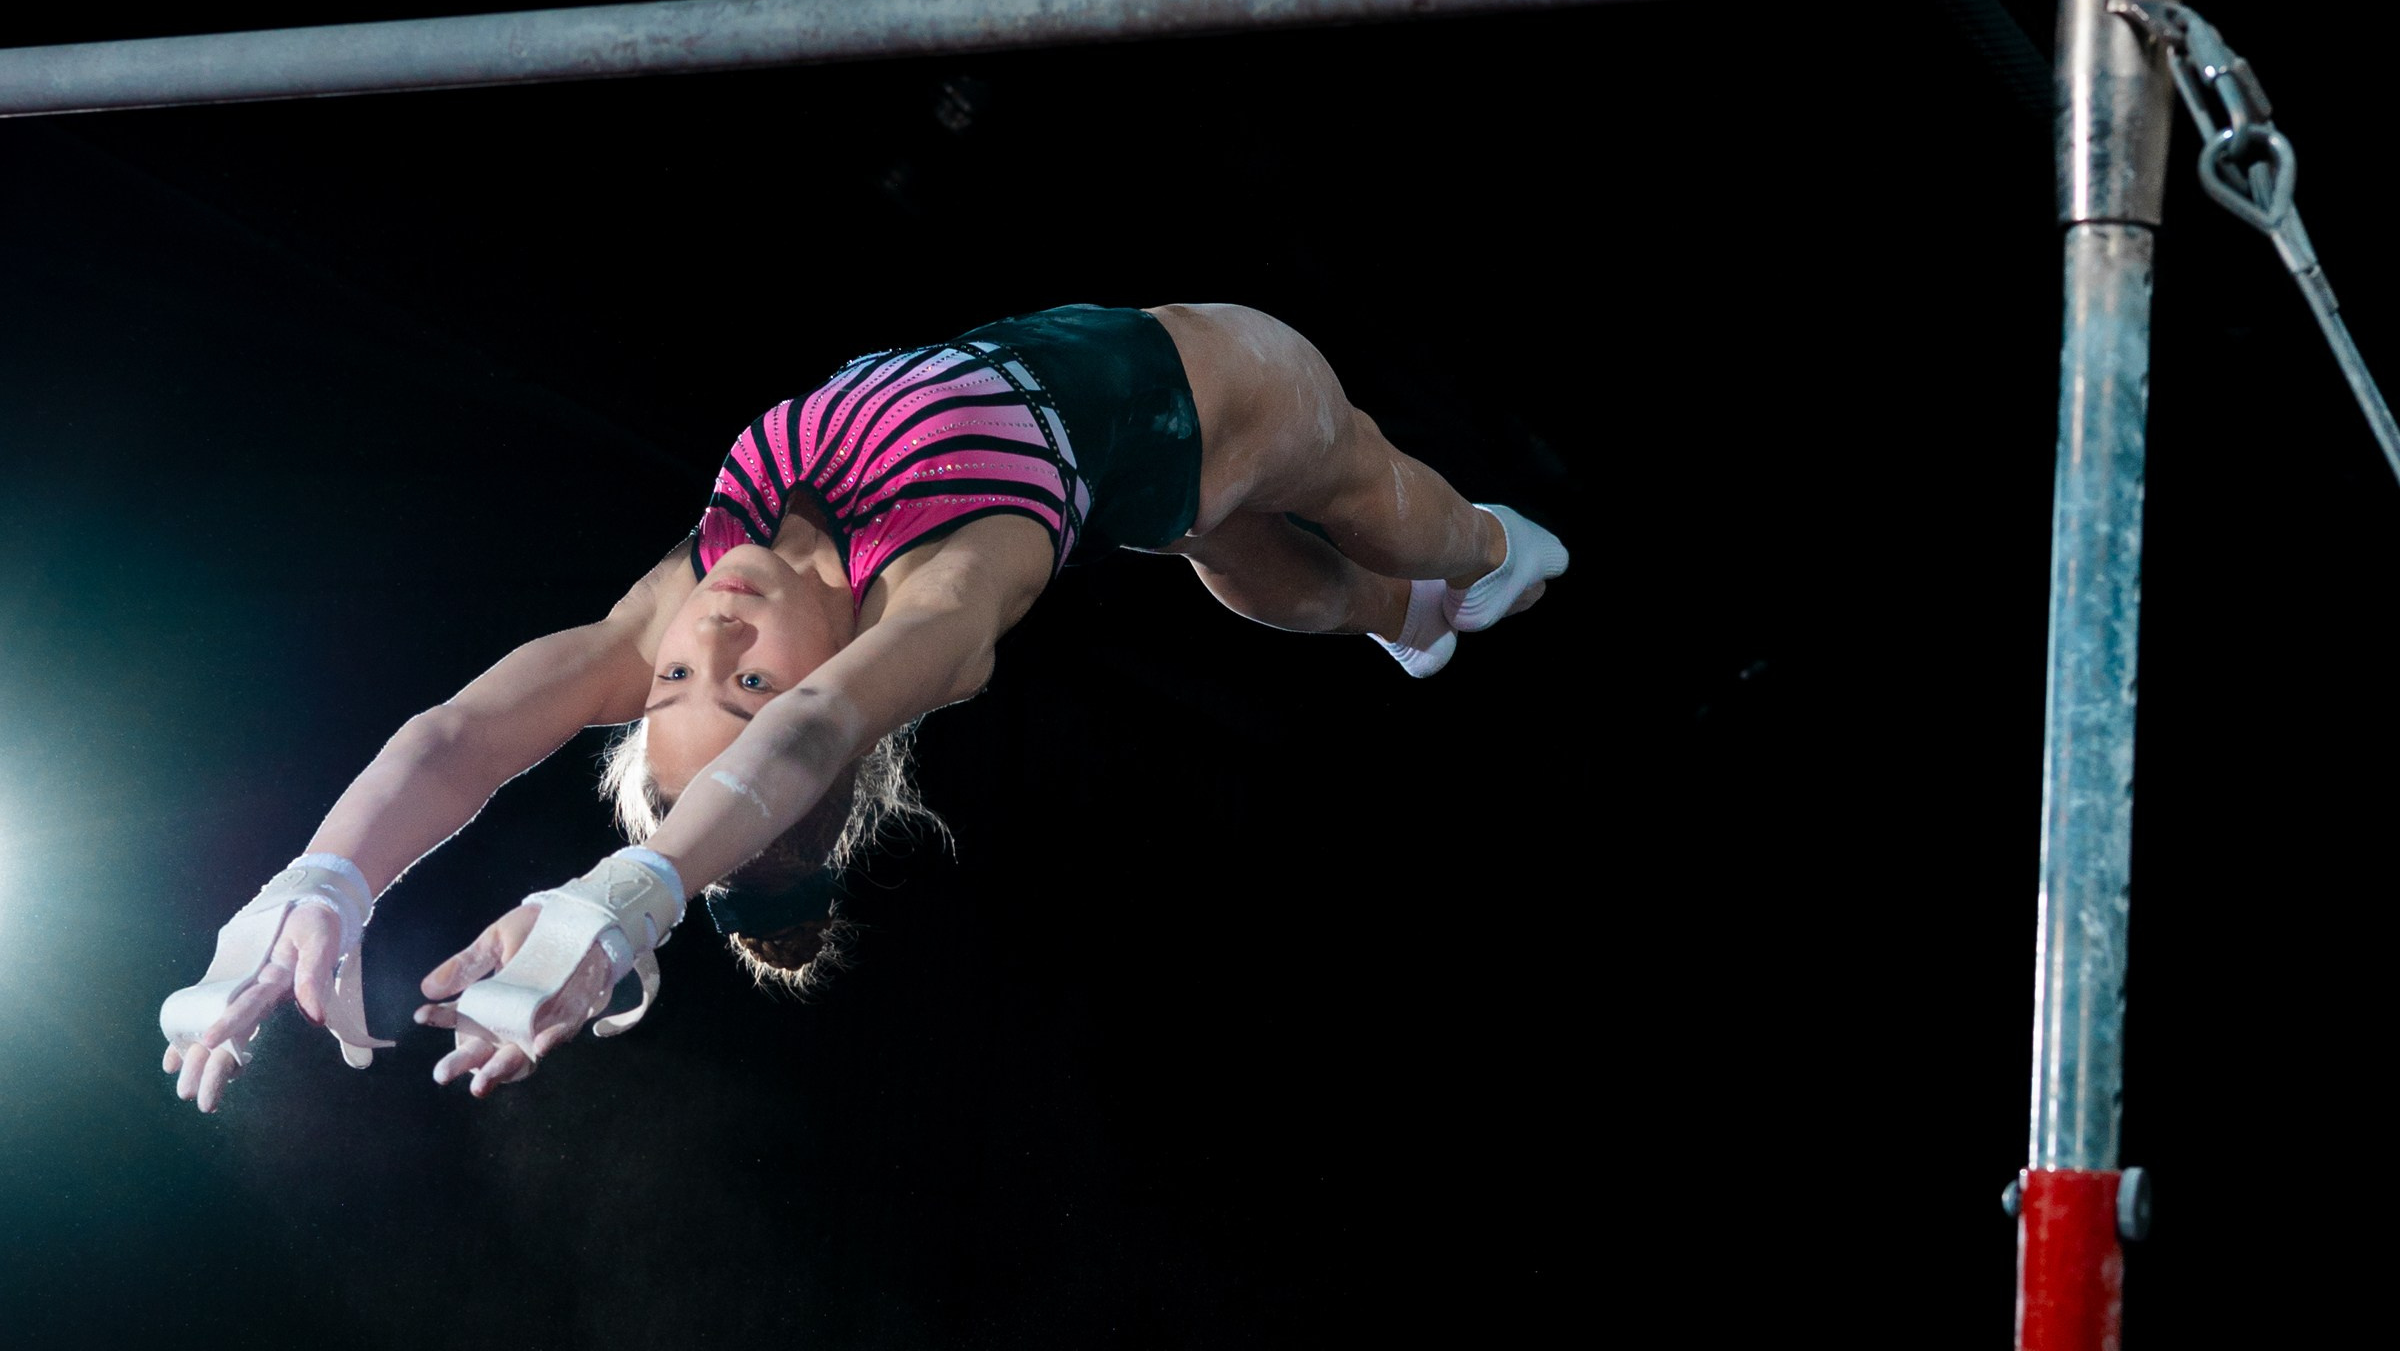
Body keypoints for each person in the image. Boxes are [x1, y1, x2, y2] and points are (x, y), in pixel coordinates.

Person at [160, 301, 1567, 1111]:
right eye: (751, 684)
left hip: (1130, 457)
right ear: (826, 684)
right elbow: (814, 741)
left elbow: (460, 738)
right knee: (1397, 521)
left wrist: (328, 875)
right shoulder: (941, 607)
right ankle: (1471, 572)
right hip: (1215, 391)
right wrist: (632, 894)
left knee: (1250, 555)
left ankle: (1404, 615)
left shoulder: (696, 586)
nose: (711, 636)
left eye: (676, 684)